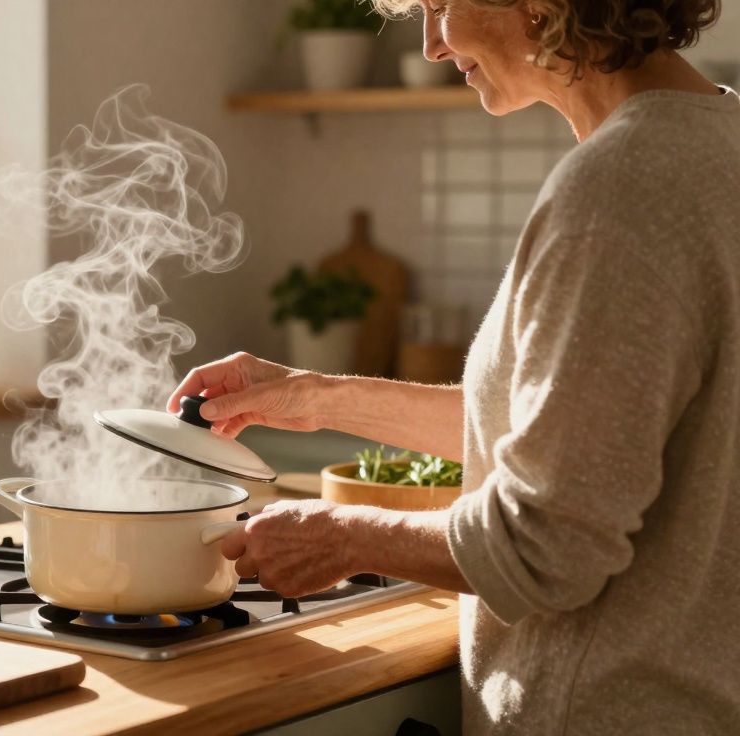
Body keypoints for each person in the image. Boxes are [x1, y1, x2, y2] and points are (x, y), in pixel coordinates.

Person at [168, 0, 739, 732]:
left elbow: (548, 548)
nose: (433, 44)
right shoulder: (717, 142)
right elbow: (567, 437)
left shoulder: (619, 187)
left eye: (440, 4)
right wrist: (313, 396)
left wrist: (341, 536)